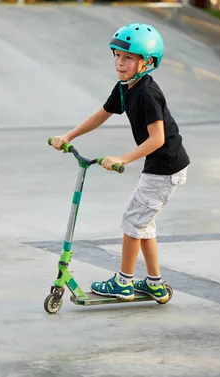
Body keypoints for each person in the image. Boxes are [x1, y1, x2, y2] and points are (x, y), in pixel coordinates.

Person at [50, 23, 190, 303]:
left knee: (131, 221)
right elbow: (101, 115)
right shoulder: (126, 88)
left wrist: (122, 158)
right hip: (160, 166)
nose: (120, 62)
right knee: (142, 223)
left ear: (146, 62)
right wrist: (68, 136)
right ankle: (154, 283)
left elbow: (158, 139)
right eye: (117, 55)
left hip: (166, 167)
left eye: (128, 58)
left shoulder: (147, 93)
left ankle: (124, 283)